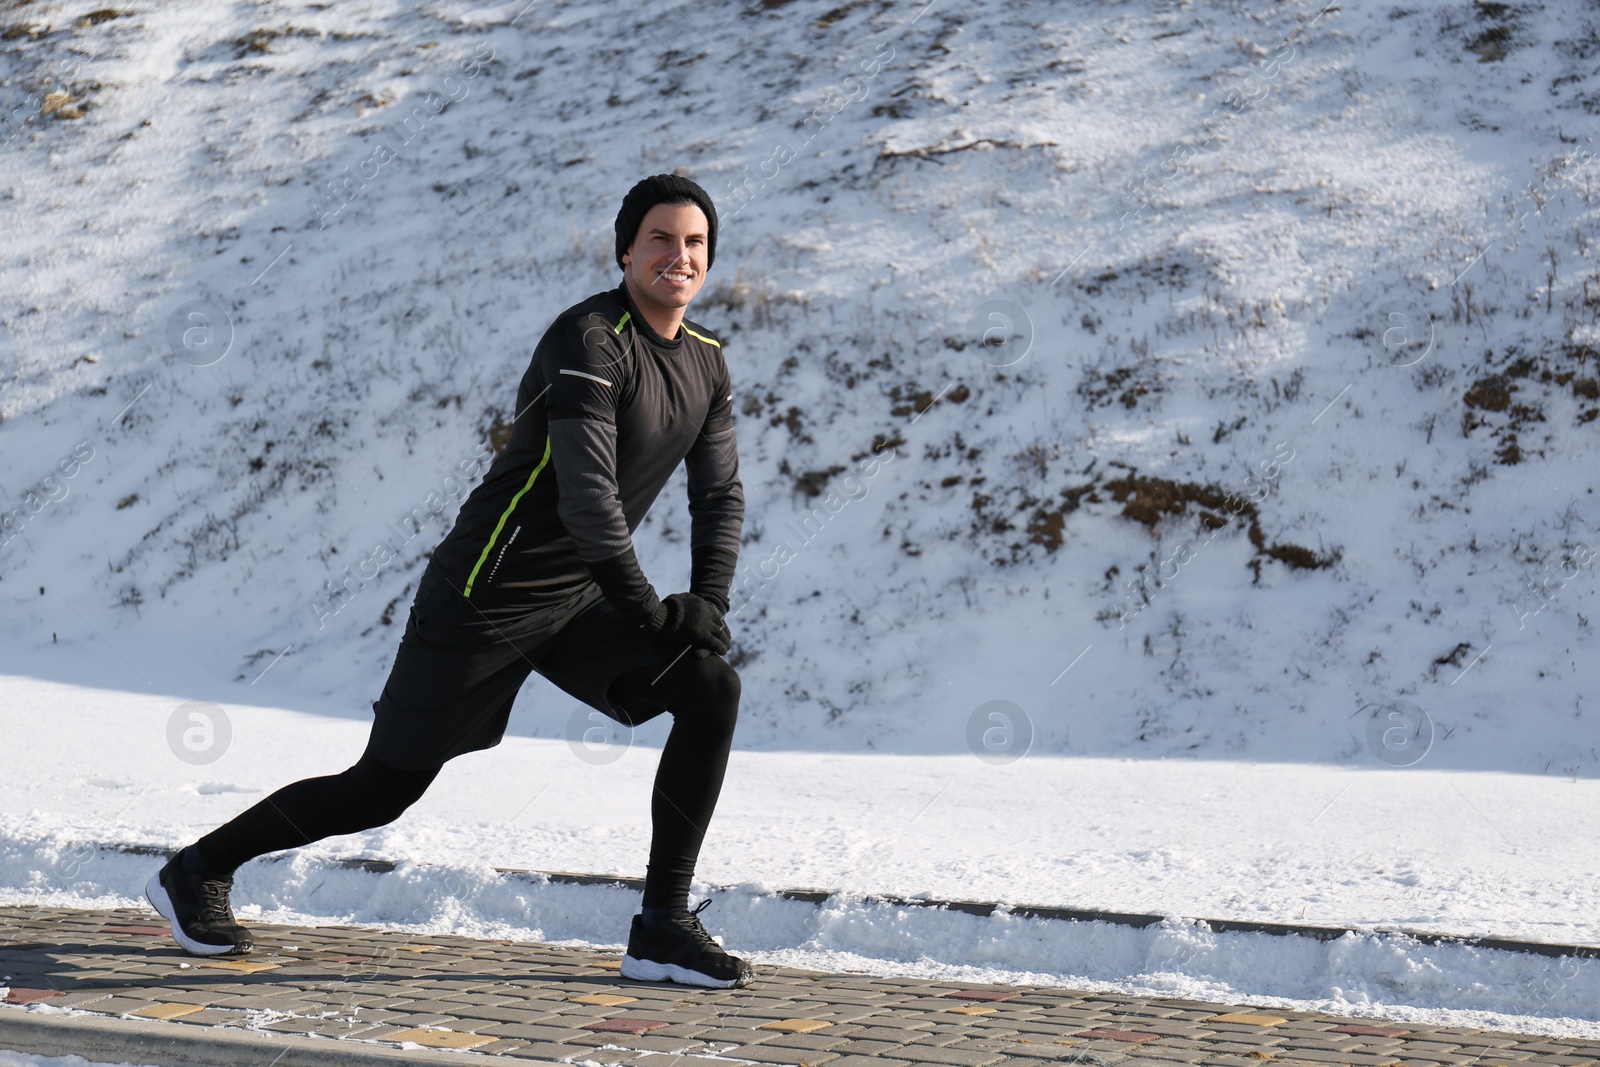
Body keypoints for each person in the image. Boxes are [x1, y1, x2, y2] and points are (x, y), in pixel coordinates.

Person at [145, 174, 752, 989]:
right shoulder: (588, 339)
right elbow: (588, 498)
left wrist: (708, 604)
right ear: (625, 250)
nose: (679, 256)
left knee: (710, 687)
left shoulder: (706, 363)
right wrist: (649, 611)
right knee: (382, 789)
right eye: (661, 239)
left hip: (579, 601)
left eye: (694, 243)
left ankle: (661, 926)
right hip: (485, 595)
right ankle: (197, 868)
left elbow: (718, 495)